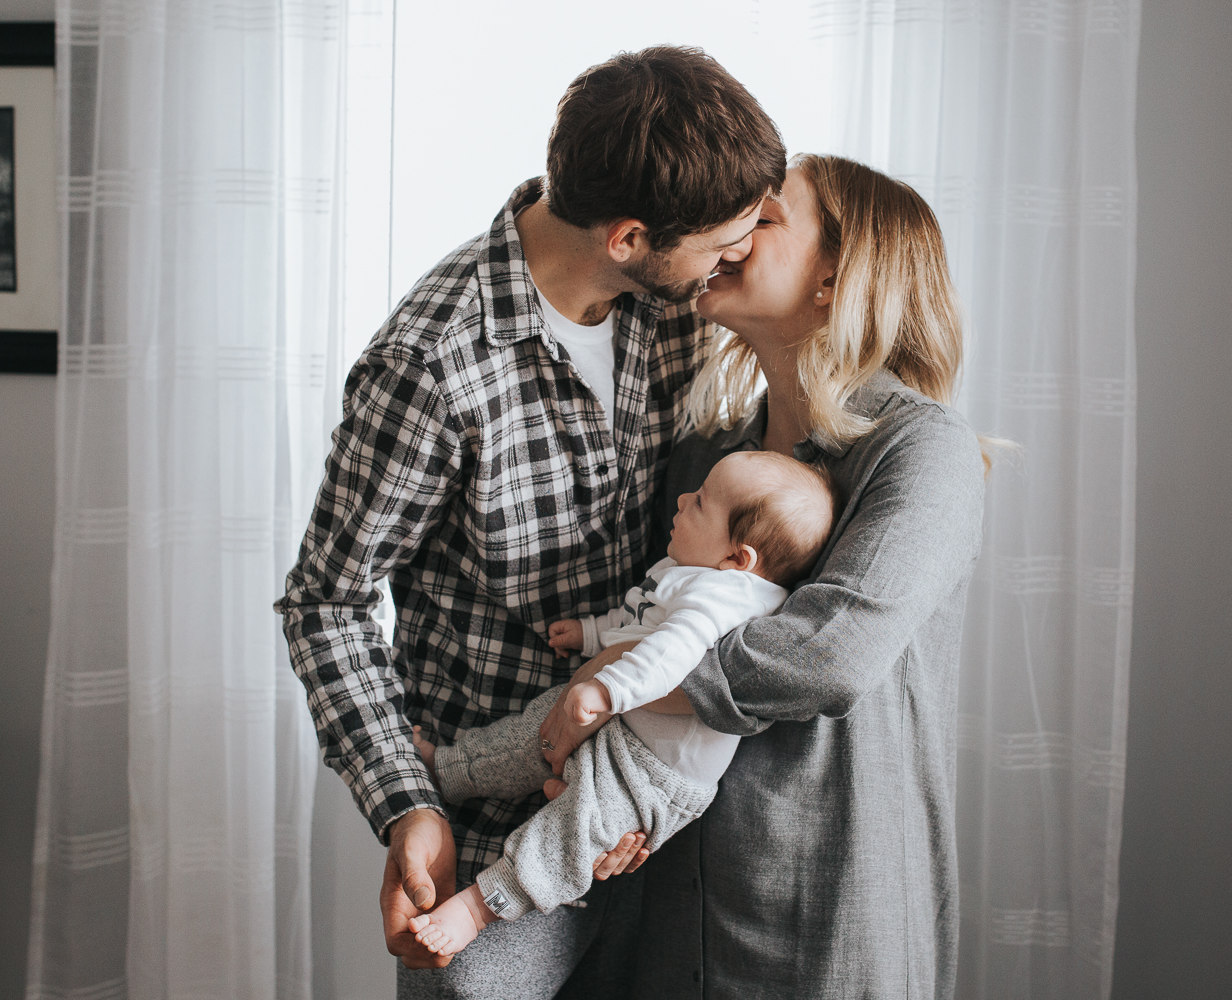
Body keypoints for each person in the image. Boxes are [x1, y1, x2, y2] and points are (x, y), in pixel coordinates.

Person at [275, 45, 786, 999]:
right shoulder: (432, 365)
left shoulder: (675, 309)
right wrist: (404, 806)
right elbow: (326, 604)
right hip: (489, 841)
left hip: (638, 824)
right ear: (629, 236)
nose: (740, 254)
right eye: (723, 239)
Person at [537, 154, 988, 997]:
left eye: (768, 216)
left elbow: (827, 657)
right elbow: (654, 619)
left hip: (828, 908)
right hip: (671, 889)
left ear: (833, 278)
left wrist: (617, 684)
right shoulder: (706, 456)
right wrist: (615, 790)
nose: (735, 227)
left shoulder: (922, 449)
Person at [402, 450, 836, 960]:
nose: (682, 499)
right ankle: (449, 768)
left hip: (654, 773)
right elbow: (640, 621)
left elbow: (668, 653)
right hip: (629, 729)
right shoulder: (693, 571)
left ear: (739, 559)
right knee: (529, 733)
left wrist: (606, 691)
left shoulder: (727, 597)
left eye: (699, 503)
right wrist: (590, 635)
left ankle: (480, 906)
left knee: (573, 834)